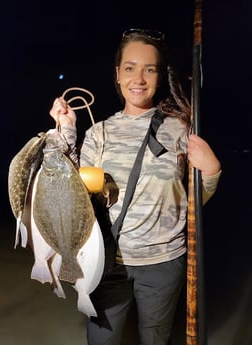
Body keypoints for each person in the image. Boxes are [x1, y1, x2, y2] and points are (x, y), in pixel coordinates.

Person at [49, 28, 221, 345]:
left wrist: (211, 171)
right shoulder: (99, 131)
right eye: (130, 68)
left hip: (163, 263)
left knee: (155, 339)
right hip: (107, 259)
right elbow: (70, 190)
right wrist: (67, 131)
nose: (139, 78)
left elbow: (193, 202)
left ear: (160, 75)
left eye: (149, 69)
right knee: (101, 339)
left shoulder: (180, 127)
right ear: (117, 74)